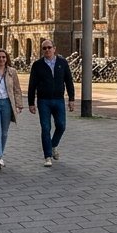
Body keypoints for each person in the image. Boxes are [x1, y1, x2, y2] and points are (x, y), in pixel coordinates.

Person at [27, 38, 74, 167]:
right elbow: (32, 85)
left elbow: (69, 81)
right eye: (44, 48)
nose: (47, 50)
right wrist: (31, 103)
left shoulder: (62, 63)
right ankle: (47, 156)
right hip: (43, 101)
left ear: (54, 48)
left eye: (49, 47)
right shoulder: (37, 65)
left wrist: (71, 99)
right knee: (46, 128)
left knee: (61, 126)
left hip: (59, 99)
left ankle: (53, 145)